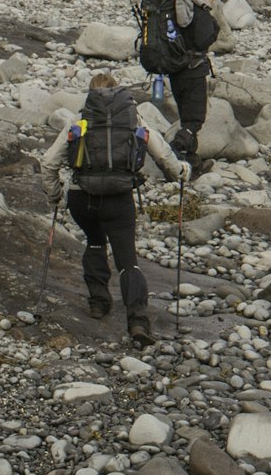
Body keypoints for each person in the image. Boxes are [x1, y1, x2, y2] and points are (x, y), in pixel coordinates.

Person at [39, 73, 189, 343]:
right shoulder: (132, 120)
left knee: (95, 242)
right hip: (118, 199)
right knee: (128, 261)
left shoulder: (79, 121)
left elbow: (49, 161)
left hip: (81, 198)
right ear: (118, 93)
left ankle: (98, 303)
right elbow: (163, 154)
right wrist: (180, 173)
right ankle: (138, 323)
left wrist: (55, 195)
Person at [139, 0, 218, 169]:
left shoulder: (178, 9)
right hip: (194, 72)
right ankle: (173, 153)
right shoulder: (201, 12)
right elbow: (202, 40)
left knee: (186, 118)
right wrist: (214, 28)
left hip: (175, 71)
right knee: (195, 120)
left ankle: (191, 160)